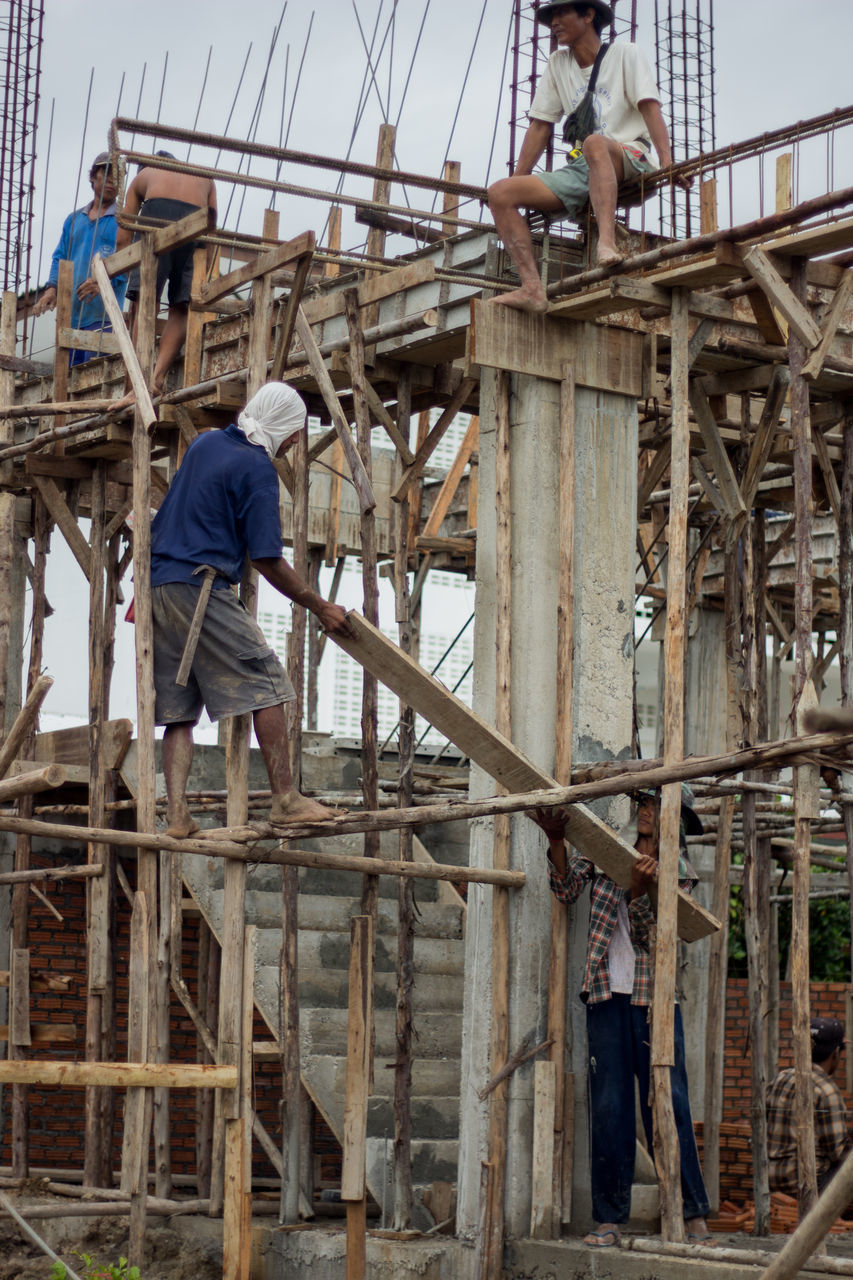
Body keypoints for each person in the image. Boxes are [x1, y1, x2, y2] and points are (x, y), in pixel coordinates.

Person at [150, 380, 356, 838]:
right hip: (200, 586)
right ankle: (285, 799)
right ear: (281, 425)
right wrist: (319, 606)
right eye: (295, 432)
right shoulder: (257, 468)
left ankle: (178, 815)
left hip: (160, 585)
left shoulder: (205, 444)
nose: (296, 442)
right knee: (271, 685)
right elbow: (266, 558)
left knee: (180, 709)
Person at [540, 785, 711, 1247]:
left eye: (659, 807)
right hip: (605, 995)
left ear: (677, 821)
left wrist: (639, 892)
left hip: (654, 1000)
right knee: (610, 1108)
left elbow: (652, 940)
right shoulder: (604, 854)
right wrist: (557, 840)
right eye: (647, 803)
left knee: (668, 1105)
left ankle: (693, 1217)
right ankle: (609, 1220)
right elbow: (565, 888)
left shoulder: (680, 875)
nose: (649, 813)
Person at [487, 1, 683, 312]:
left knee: (594, 143)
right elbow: (540, 127)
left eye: (561, 14)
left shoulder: (625, 54)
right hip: (586, 166)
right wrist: (518, 182)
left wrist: (668, 161)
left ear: (588, 15)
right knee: (499, 193)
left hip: (633, 155)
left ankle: (607, 243)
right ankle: (531, 289)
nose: (554, 23)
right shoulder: (558, 64)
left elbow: (649, 107)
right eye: (551, 17)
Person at [113, 151, 217, 399]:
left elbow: (122, 237)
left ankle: (140, 380)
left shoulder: (144, 175)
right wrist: (204, 276)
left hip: (157, 215)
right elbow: (212, 231)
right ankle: (157, 377)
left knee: (144, 302)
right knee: (181, 307)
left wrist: (128, 273)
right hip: (198, 220)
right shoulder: (206, 178)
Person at [32, 152, 128, 364]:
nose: (113, 182)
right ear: (93, 177)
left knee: (93, 377)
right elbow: (60, 257)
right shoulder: (74, 220)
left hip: (103, 317)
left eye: (119, 178)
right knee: (68, 380)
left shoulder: (123, 221)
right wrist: (52, 288)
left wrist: (103, 283)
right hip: (70, 317)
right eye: (107, 175)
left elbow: (128, 262)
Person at [767, 1016, 851, 1195]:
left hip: (769, 1178)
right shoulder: (826, 1089)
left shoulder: (780, 1078)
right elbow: (839, 1153)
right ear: (836, 1052)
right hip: (808, 1184)